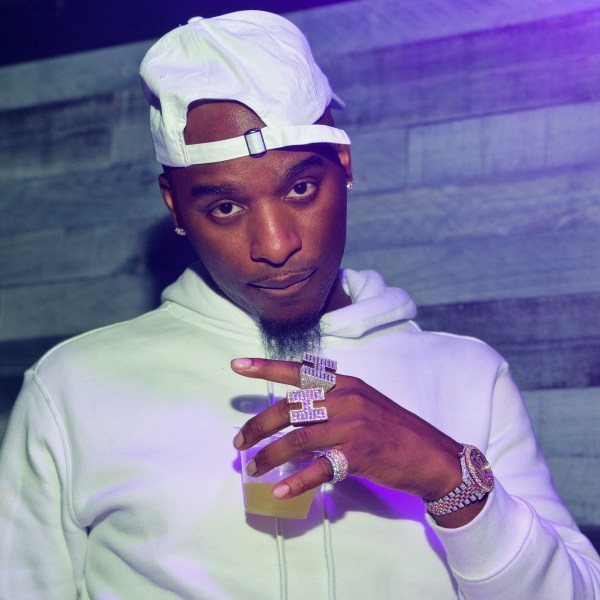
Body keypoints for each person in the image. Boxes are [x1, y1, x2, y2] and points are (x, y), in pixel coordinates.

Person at [0, 10, 599, 599]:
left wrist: (448, 478)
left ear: (345, 167)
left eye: (300, 188)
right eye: (225, 207)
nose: (275, 244)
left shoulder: (469, 375)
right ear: (175, 207)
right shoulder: (75, 387)